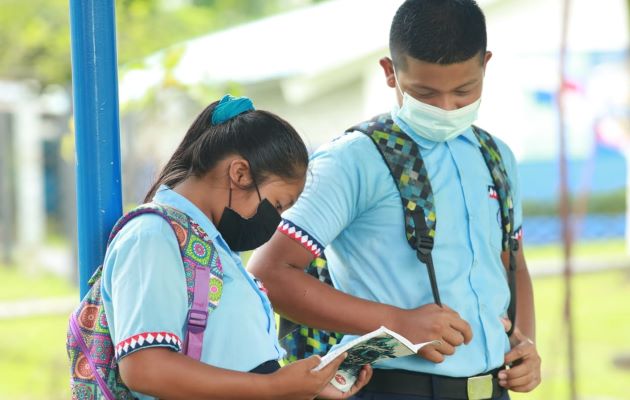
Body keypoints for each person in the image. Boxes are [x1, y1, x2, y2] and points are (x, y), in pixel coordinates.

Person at [248, 1, 541, 399]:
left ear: (485, 65)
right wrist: (396, 322)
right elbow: (270, 271)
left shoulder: (497, 156)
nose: (446, 107)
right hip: (391, 387)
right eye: (424, 93)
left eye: (463, 90)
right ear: (390, 72)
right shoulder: (352, 160)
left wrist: (526, 343)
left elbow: (511, 259)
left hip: (491, 389)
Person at [101, 95, 372, 400]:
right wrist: (274, 386)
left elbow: (229, 363)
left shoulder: (215, 249)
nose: (276, 221)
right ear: (240, 173)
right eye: (278, 205)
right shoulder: (152, 235)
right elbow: (144, 368)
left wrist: (302, 387)